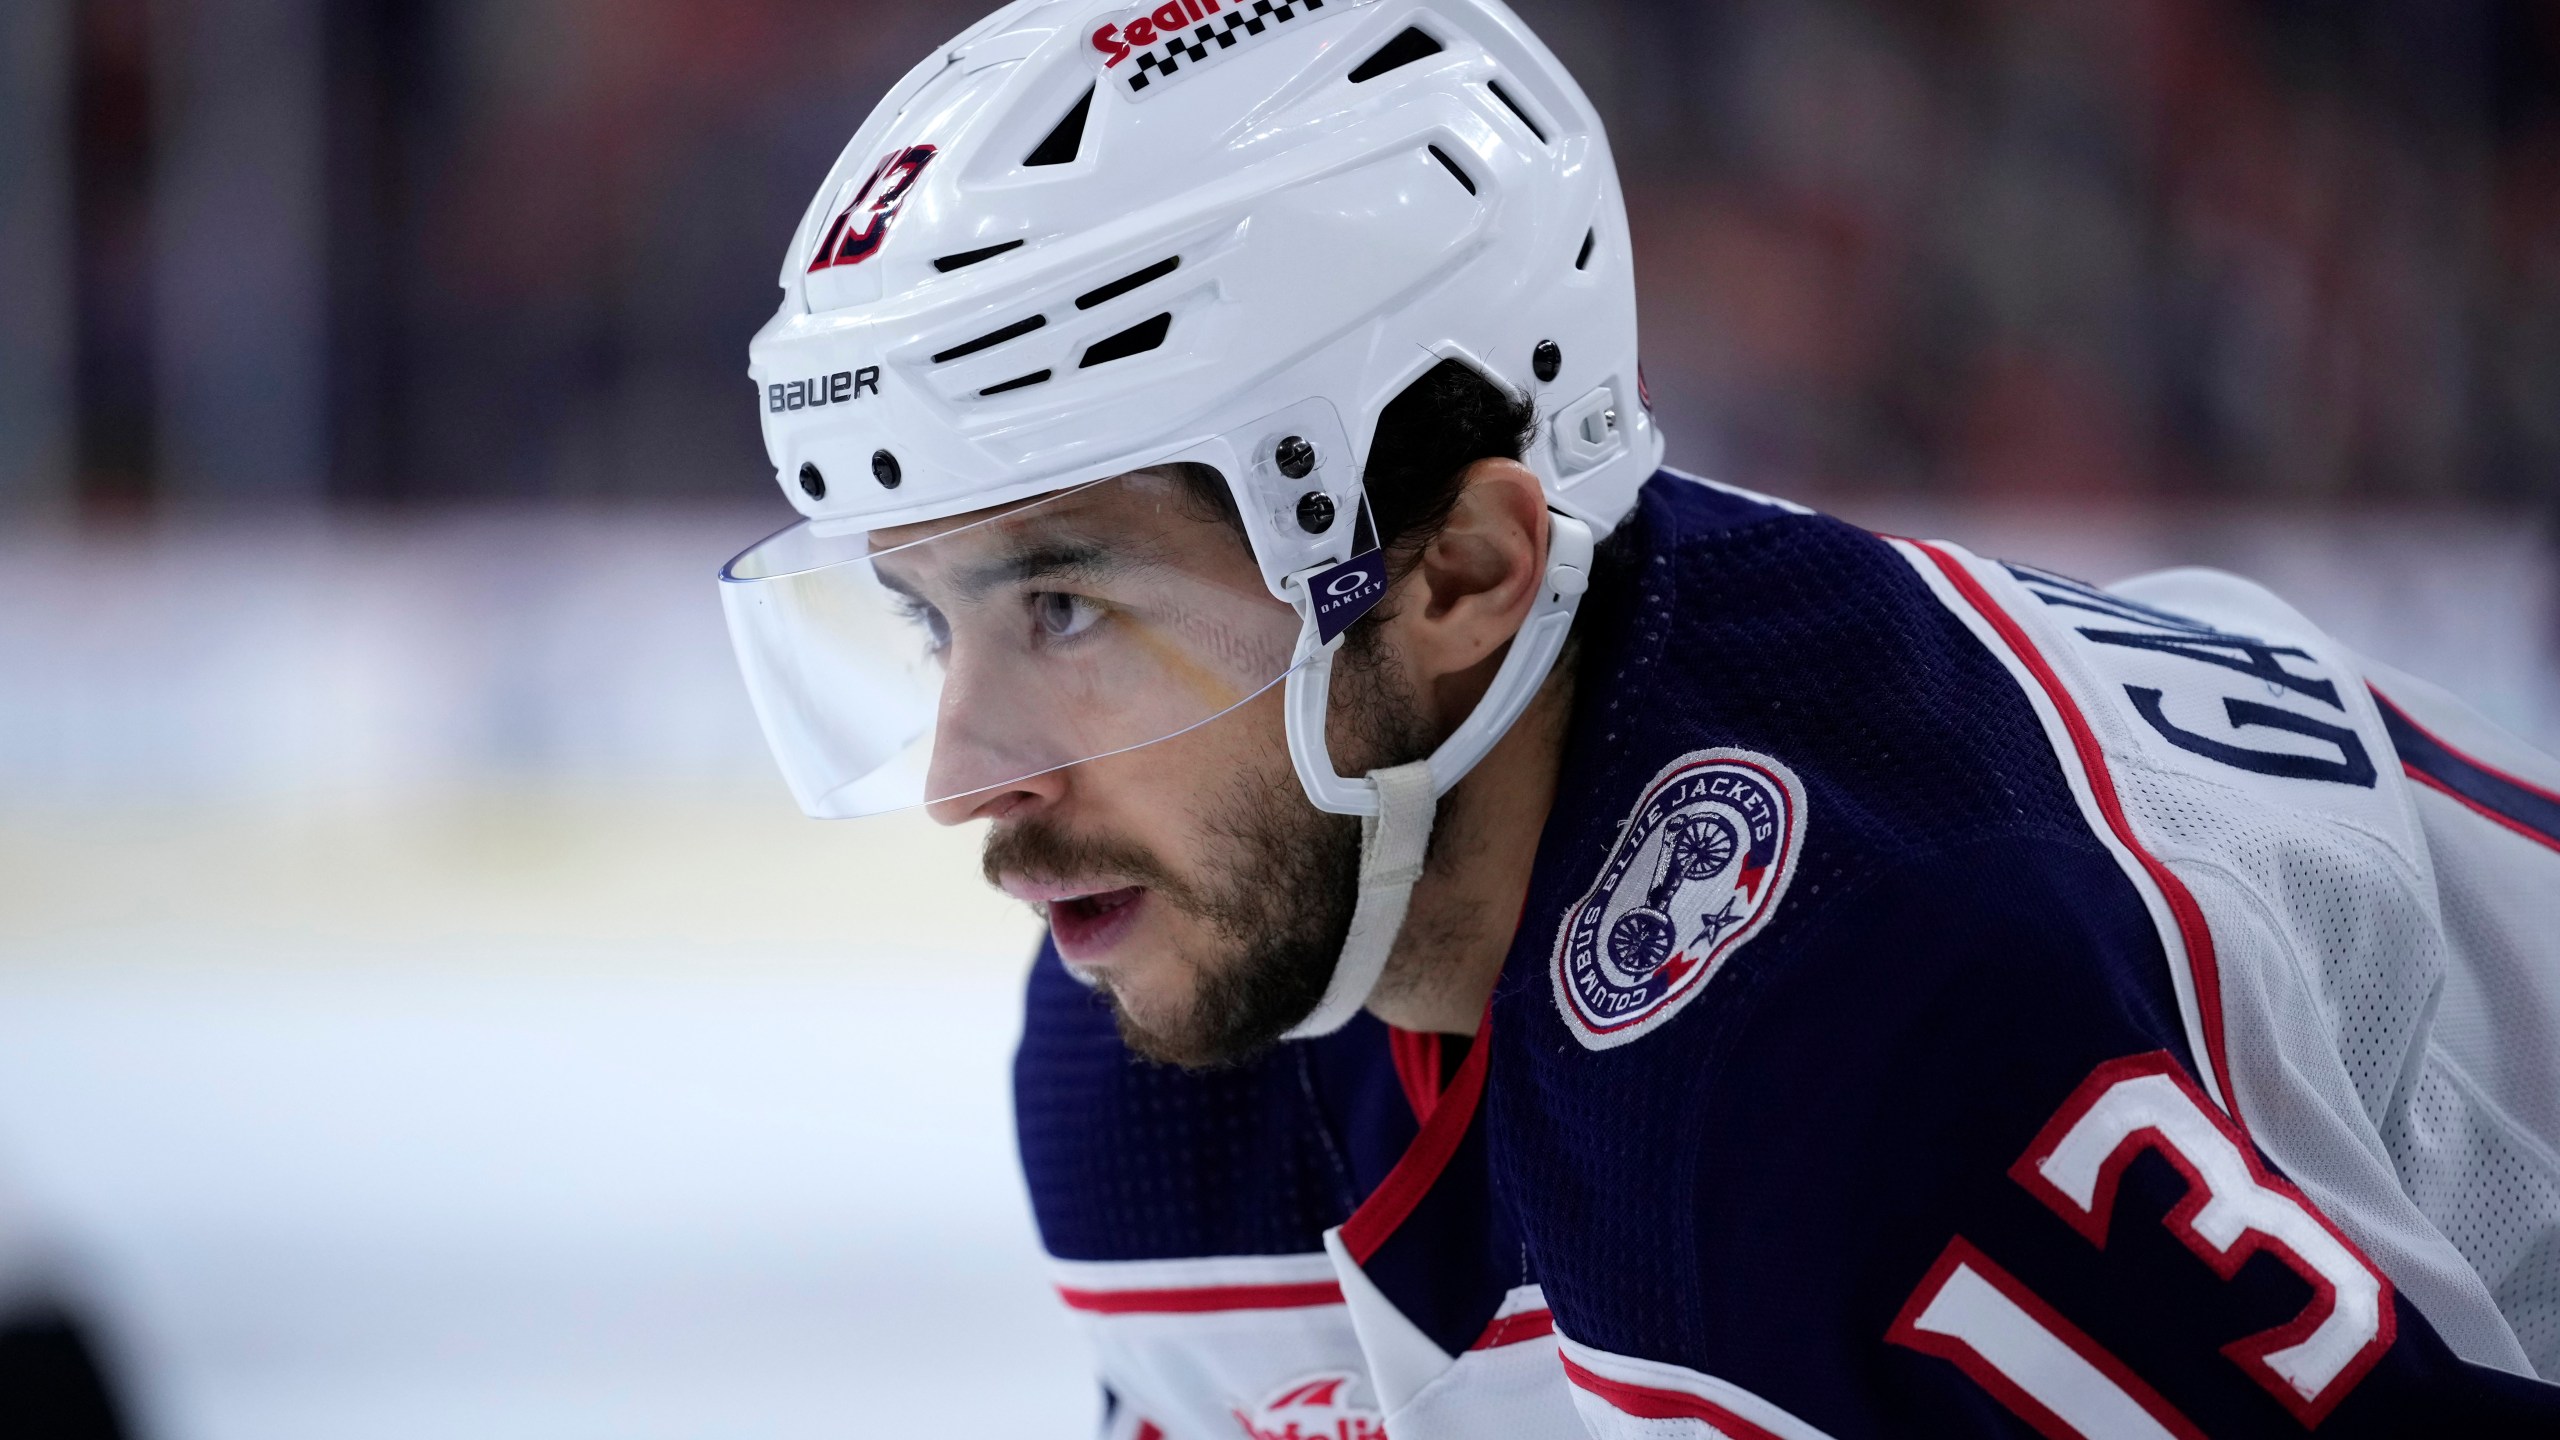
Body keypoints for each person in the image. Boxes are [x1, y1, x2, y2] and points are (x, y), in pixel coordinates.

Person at [716, 1, 2560, 1433]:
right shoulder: (1195, 1030)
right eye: (923, 618)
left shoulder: (1870, 1037)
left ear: (1458, 574)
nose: (970, 776)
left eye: (1066, 603)